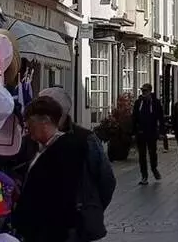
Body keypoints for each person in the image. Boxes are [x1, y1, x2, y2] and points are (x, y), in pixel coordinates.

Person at [39, 86, 116, 239]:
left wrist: (91, 208)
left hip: (74, 224)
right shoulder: (32, 138)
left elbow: (106, 180)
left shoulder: (85, 139)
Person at [13, 96, 84, 242]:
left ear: (45, 121)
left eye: (30, 123)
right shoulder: (45, 147)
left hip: (51, 232)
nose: (27, 129)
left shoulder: (65, 149)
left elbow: (60, 197)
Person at [132, 83, 164, 185]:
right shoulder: (138, 103)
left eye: (145, 91)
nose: (144, 93)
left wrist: (161, 132)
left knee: (152, 153)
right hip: (141, 132)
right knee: (142, 155)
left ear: (150, 91)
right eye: (142, 91)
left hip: (152, 132)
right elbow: (134, 118)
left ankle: (154, 168)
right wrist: (133, 132)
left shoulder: (155, 103)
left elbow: (161, 118)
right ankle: (144, 176)